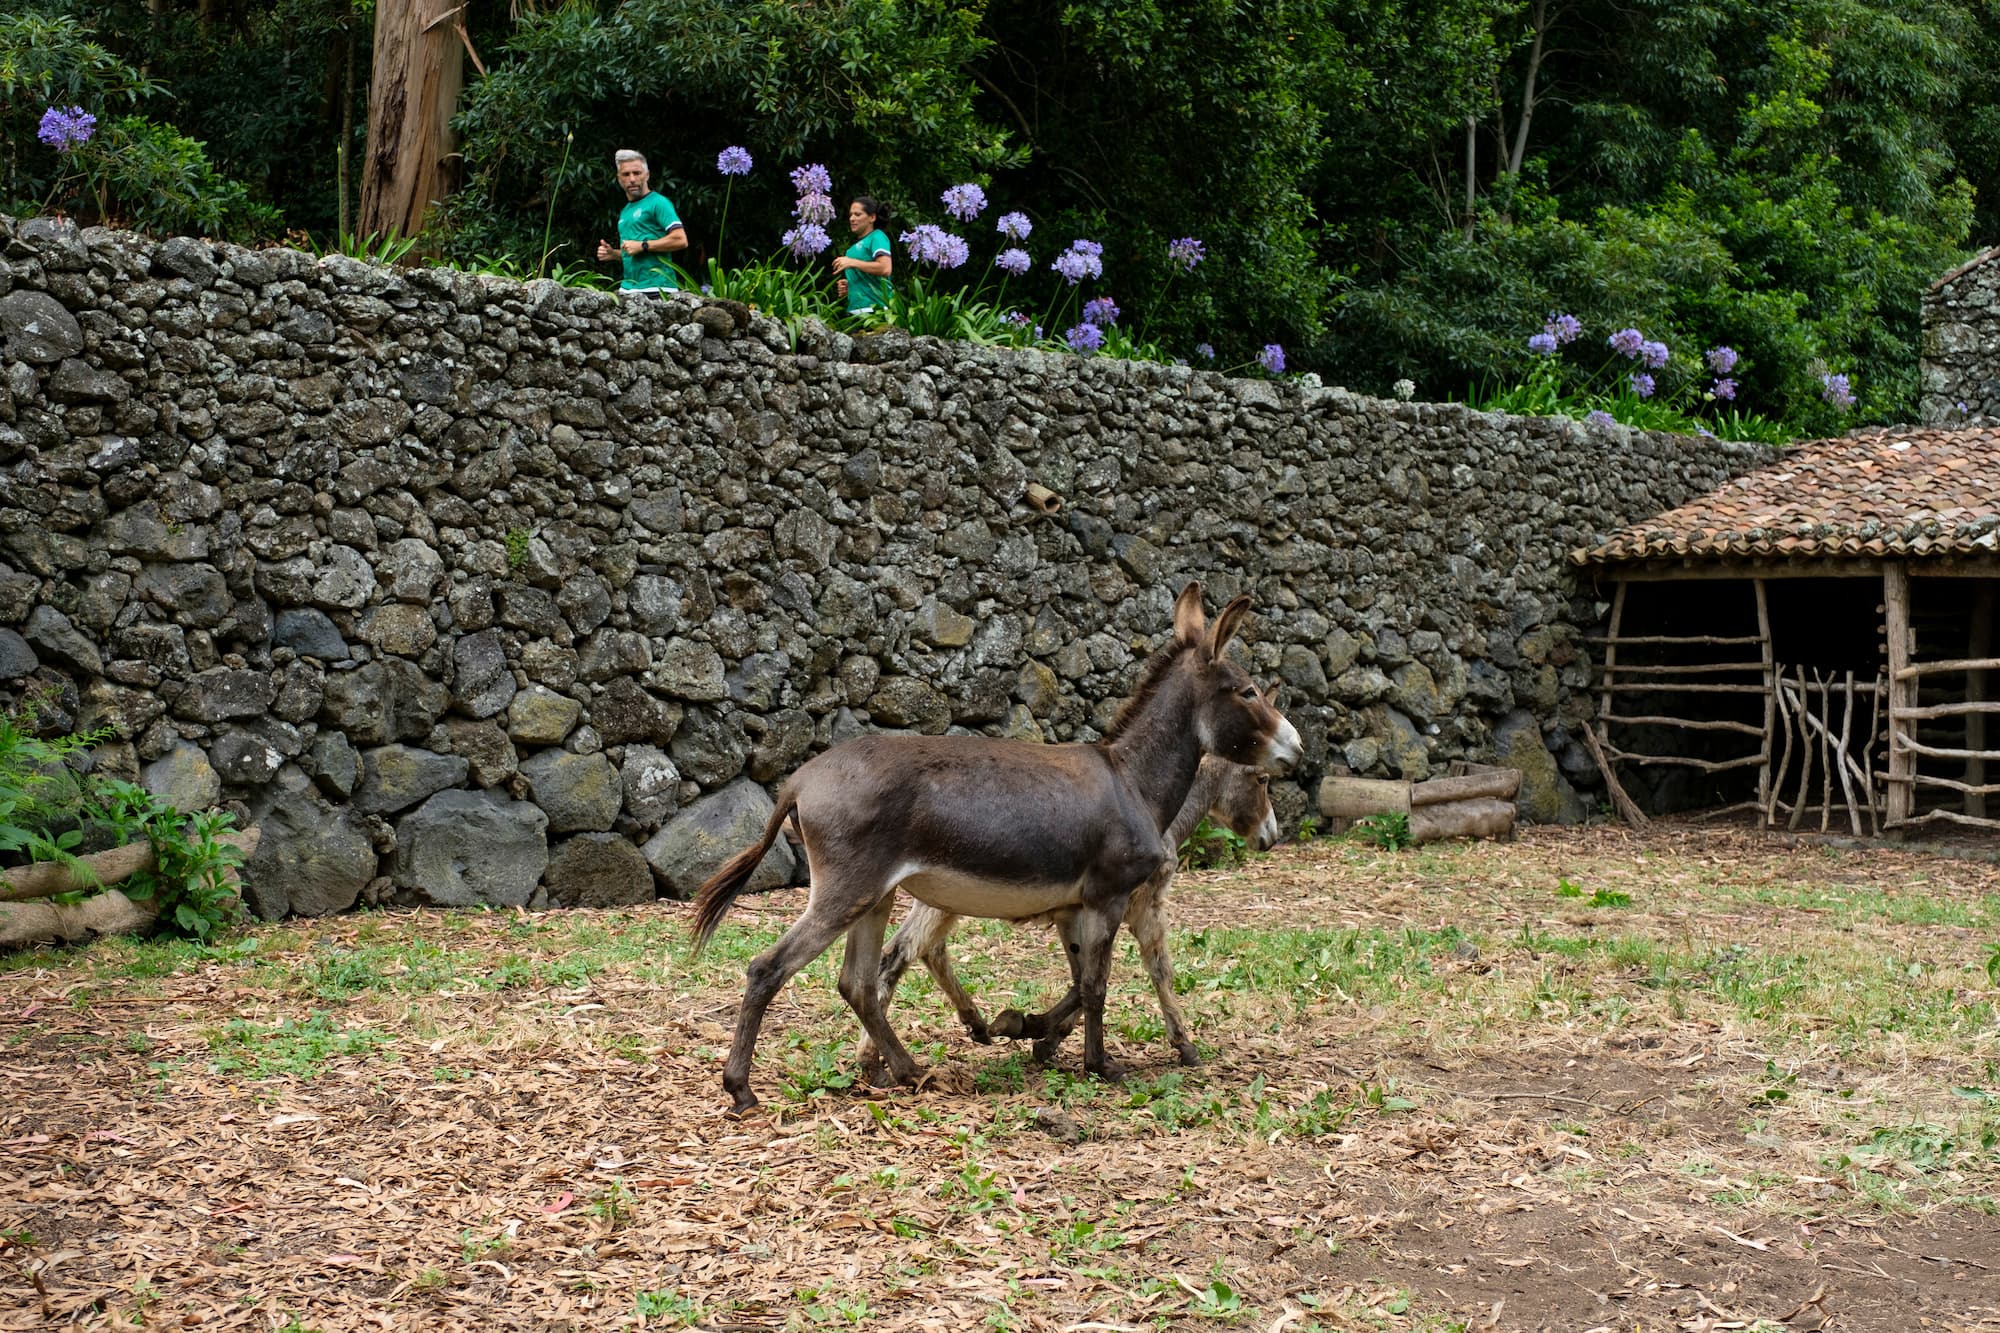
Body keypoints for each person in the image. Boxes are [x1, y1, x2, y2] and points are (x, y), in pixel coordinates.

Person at [595, 149, 686, 294]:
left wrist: (644, 245)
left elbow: (681, 240)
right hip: (628, 289)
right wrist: (613, 254)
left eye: (636, 173)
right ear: (619, 178)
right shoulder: (626, 210)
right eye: (626, 174)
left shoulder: (659, 202)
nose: (632, 179)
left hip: (657, 288)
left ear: (647, 175)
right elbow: (634, 252)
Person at [832, 195, 892, 314]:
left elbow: (885, 268)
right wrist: (851, 286)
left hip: (875, 312)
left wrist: (852, 262)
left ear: (872, 217)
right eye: (850, 215)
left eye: (857, 214)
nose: (852, 219)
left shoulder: (877, 237)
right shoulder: (852, 250)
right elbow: (868, 278)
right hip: (855, 313)